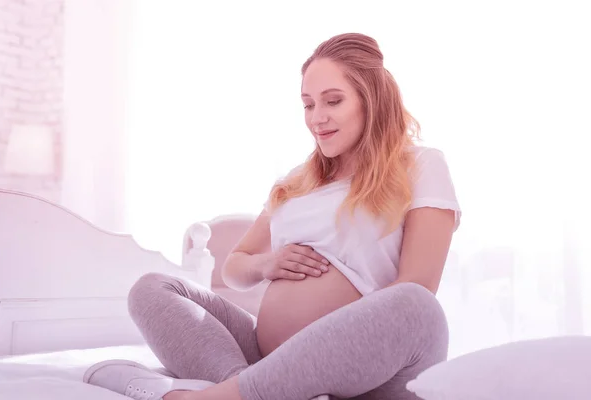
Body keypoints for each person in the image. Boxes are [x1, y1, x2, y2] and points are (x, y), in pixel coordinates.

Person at [83, 32, 461, 400]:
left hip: (370, 368)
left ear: (372, 100)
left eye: (333, 101)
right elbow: (234, 268)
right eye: (308, 104)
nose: (317, 118)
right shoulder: (297, 182)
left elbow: (419, 283)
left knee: (417, 305)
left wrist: (317, 350)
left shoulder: (420, 164)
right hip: (269, 358)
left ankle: (232, 394)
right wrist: (269, 264)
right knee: (152, 288)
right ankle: (246, 386)